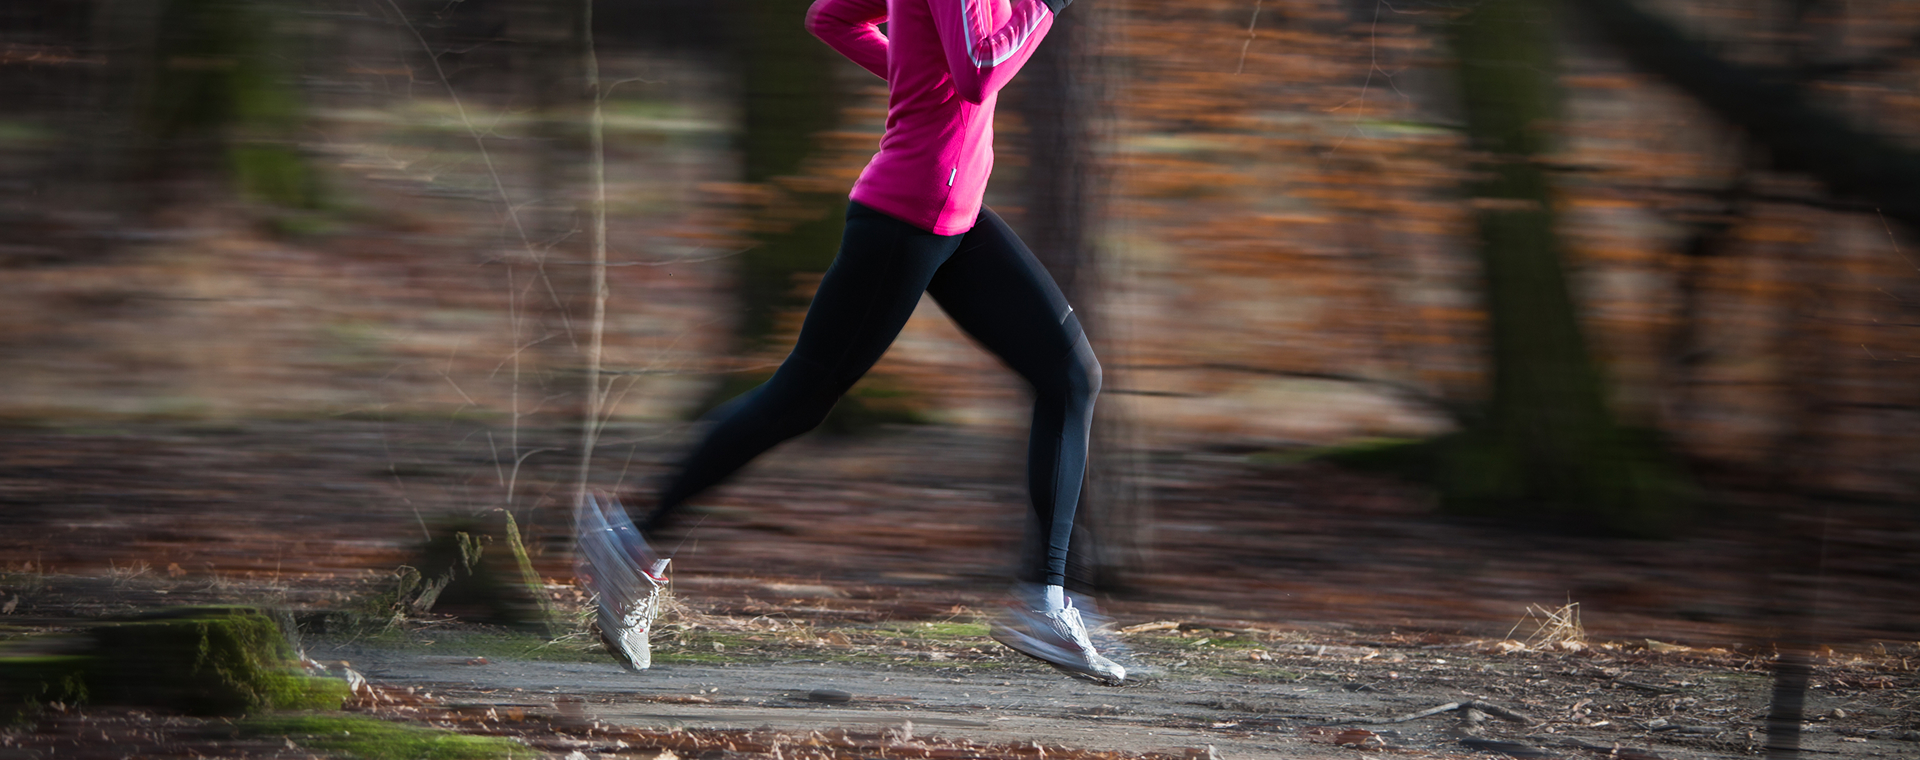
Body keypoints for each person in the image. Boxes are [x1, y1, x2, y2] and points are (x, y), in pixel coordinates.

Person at [576, 0, 1122, 684]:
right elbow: (980, 69)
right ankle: (631, 539)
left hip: (955, 216)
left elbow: (832, 17)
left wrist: (918, 75)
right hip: (908, 215)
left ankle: (1044, 600)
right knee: (801, 396)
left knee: (1069, 374)